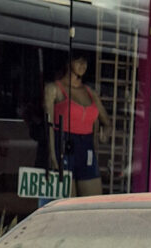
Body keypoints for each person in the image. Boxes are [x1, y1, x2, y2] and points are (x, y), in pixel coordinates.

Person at [43, 54, 111, 197]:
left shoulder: (90, 92)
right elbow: (47, 124)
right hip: (63, 144)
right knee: (67, 202)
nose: (82, 65)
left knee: (93, 203)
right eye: (78, 60)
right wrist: (52, 155)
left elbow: (106, 121)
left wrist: (104, 135)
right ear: (68, 62)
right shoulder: (54, 88)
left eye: (85, 61)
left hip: (86, 148)